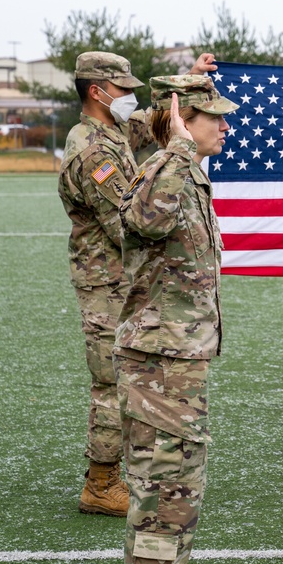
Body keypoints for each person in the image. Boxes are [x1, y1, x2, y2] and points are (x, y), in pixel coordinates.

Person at [58, 51, 218, 517]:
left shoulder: (110, 130)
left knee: (125, 380)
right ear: (97, 92)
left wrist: (192, 78)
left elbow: (158, 122)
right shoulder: (94, 153)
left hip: (121, 280)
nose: (131, 98)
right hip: (107, 283)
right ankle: (102, 482)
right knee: (111, 383)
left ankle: (125, 471)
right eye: (124, 90)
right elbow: (127, 226)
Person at [114, 75, 237, 564]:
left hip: (177, 364)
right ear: (184, 120)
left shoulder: (186, 176)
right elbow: (144, 219)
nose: (226, 127)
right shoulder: (165, 171)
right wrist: (180, 149)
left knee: (178, 500)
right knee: (164, 503)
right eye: (215, 117)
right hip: (157, 366)